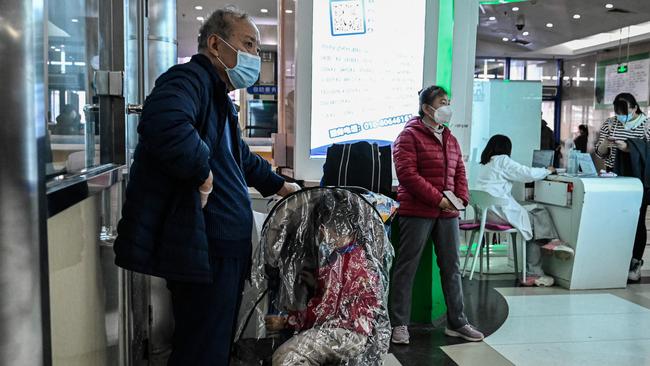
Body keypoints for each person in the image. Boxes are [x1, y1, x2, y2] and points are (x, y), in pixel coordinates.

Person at [113, 7, 300, 365]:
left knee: (211, 345)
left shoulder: (218, 96)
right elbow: (163, 123)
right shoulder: (188, 79)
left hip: (222, 249)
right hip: (205, 247)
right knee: (201, 349)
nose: (254, 57)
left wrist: (279, 186)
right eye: (248, 44)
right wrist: (203, 173)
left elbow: (240, 158)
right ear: (216, 44)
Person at [389, 85, 483, 344]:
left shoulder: (450, 138)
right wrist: (438, 199)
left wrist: (460, 198)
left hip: (448, 214)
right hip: (417, 211)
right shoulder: (408, 136)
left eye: (448, 101)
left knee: (452, 267)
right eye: (442, 102)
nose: (447, 107)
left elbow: (459, 172)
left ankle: (458, 322)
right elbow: (407, 175)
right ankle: (399, 324)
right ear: (427, 108)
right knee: (407, 268)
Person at [265, 191, 380, 365]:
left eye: (324, 227)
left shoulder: (348, 264)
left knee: (286, 356)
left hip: (346, 333)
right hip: (353, 330)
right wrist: (318, 282)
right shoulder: (352, 254)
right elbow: (338, 294)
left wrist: (287, 321)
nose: (321, 232)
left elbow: (325, 312)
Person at [475, 135, 574, 287]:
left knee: (535, 217)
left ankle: (550, 242)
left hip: (486, 214)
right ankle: (535, 271)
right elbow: (526, 174)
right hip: (499, 212)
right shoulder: (502, 160)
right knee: (538, 218)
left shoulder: (484, 163)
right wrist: (546, 170)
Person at [595, 92, 649, 281]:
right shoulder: (611, 124)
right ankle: (616, 260)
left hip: (639, 179)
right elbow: (600, 153)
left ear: (635, 108)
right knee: (616, 219)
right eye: (618, 112)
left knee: (637, 219)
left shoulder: (646, 125)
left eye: (624, 112)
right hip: (614, 176)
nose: (621, 116)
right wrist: (605, 145)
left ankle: (635, 262)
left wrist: (628, 147)